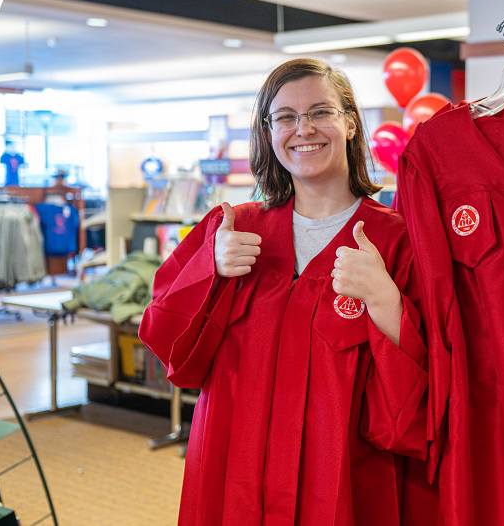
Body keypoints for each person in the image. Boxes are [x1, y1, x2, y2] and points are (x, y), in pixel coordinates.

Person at [139, 59, 432, 525]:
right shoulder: (233, 228)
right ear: (269, 131)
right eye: (286, 117)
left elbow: (431, 393)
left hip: (341, 477)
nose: (304, 129)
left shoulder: (398, 241)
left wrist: (385, 302)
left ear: (350, 124)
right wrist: (209, 269)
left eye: (321, 112)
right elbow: (166, 338)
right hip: (235, 472)